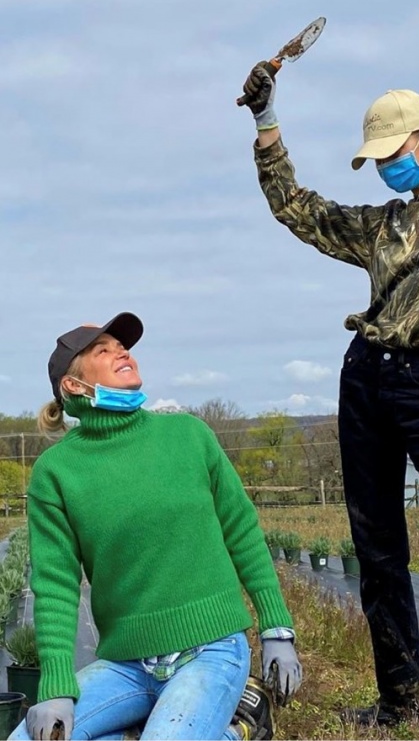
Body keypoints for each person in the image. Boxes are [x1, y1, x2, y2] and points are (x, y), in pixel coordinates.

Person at [238, 64, 419, 740]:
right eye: (375, 161)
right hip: (365, 378)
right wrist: (265, 123)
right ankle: (404, 701)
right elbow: (298, 208)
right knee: (376, 548)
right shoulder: (381, 227)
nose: (383, 171)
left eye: (393, 155)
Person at [11, 313, 302, 741]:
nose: (122, 352)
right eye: (103, 350)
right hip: (126, 665)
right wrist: (55, 687)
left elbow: (241, 530)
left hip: (212, 649)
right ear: (73, 385)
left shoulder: (188, 435)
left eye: (122, 346)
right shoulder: (56, 472)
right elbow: (54, 585)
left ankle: (238, 728)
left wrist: (277, 628)